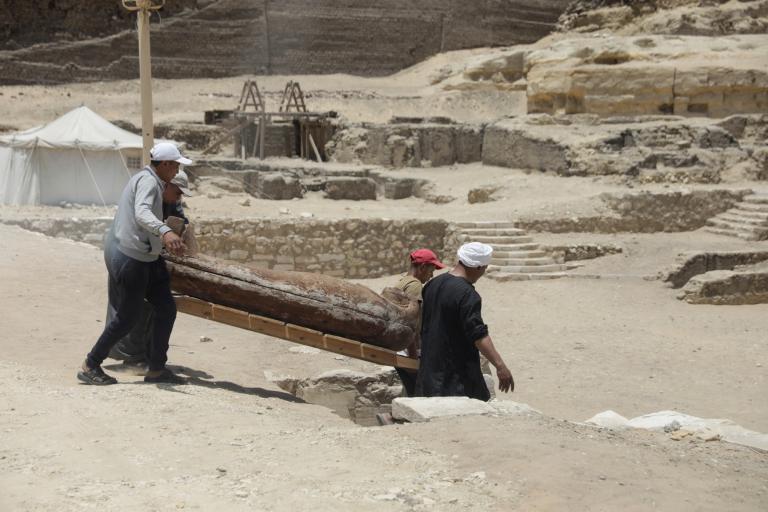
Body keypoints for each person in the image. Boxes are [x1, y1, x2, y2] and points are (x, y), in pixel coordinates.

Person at [77, 142, 192, 385]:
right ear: (166, 164)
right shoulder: (148, 181)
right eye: (176, 166)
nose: (177, 171)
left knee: (166, 308)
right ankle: (91, 364)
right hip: (131, 257)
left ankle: (156, 369)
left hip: (148, 259)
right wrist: (165, 232)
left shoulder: (156, 182)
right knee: (128, 317)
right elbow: (141, 213)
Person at [106, 170, 194, 369]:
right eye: (178, 192)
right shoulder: (148, 190)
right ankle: (129, 357)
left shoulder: (170, 200)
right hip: (124, 250)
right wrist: (164, 231)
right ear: (167, 185)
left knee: (158, 307)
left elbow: (178, 220)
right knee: (134, 306)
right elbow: (141, 218)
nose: (179, 197)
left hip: (143, 254)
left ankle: (150, 362)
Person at [415, 242, 514, 401]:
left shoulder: (432, 284)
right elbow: (479, 335)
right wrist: (500, 367)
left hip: (429, 374)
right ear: (477, 267)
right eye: (484, 268)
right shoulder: (467, 294)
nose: (483, 273)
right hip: (455, 380)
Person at [392, 248, 445, 396]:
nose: (431, 275)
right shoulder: (415, 285)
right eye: (431, 270)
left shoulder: (403, 281)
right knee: (421, 393)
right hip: (407, 350)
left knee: (411, 391)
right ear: (422, 267)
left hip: (400, 347)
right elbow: (411, 322)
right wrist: (414, 356)